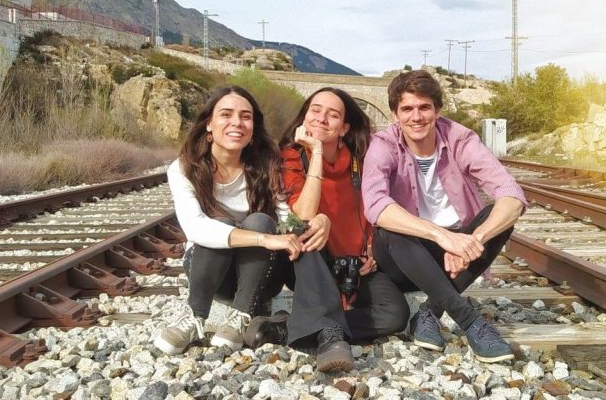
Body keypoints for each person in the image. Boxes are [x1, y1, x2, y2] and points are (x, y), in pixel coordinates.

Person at [361, 70, 527, 363]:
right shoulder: (383, 144)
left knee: (499, 217)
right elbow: (375, 204)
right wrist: (442, 236)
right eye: (407, 109)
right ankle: (470, 321)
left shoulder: (460, 138)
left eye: (424, 107)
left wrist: (473, 240)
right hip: (404, 257)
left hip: (455, 257)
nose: (416, 117)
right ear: (395, 115)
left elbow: (511, 194)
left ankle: (429, 311)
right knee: (391, 225)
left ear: (437, 110)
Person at [153, 86, 330, 356]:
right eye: (226, 114)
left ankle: (241, 317)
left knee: (260, 220)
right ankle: (195, 315)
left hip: (261, 276)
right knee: (219, 224)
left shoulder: (266, 165)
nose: (237, 122)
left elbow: (290, 218)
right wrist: (264, 239)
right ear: (209, 124)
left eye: (246, 117)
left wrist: (321, 219)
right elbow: (195, 227)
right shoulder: (184, 168)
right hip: (210, 273)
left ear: (253, 128)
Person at [248, 87, 410, 372]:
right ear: (304, 117)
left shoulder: (362, 160)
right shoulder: (289, 158)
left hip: (355, 268)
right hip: (313, 263)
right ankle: (331, 337)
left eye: (333, 115)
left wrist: (372, 246)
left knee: (395, 314)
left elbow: (378, 207)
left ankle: (290, 328)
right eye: (315, 110)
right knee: (303, 230)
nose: (322, 118)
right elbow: (304, 214)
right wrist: (317, 153)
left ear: (344, 128)